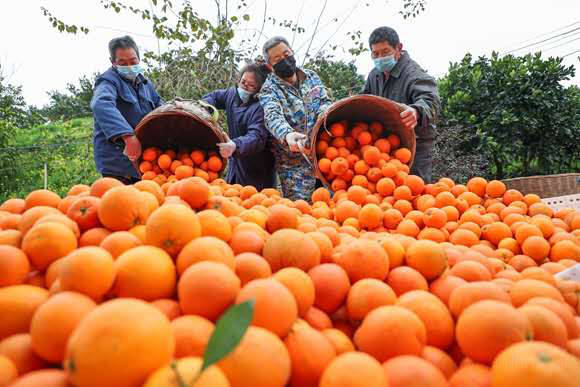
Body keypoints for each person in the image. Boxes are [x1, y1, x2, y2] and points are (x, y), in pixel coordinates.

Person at [362, 26, 440, 183]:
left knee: (413, 192)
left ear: (399, 48)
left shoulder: (413, 73)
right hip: (384, 147)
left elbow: (431, 100)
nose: (380, 58)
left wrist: (416, 111)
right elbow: (363, 101)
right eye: (375, 54)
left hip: (415, 147)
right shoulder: (374, 75)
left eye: (385, 52)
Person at [259, 36, 333, 201]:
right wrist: (287, 134)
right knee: (301, 215)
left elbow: (325, 102)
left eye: (286, 54)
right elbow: (272, 116)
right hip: (295, 170)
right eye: (278, 59)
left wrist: (325, 117)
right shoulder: (269, 90)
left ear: (292, 52)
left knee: (333, 208)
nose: (285, 60)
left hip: (325, 157)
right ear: (270, 66)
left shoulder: (311, 77)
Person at [90, 35, 163, 185]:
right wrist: (128, 136)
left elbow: (161, 107)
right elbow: (100, 104)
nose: (129, 66)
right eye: (122, 62)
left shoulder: (144, 83)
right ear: (113, 62)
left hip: (143, 162)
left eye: (132, 61)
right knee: (122, 203)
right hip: (117, 163)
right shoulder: (108, 81)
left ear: (139, 59)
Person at [202, 63, 276, 190]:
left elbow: (257, 136)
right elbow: (213, 97)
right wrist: (207, 108)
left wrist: (235, 145)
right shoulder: (232, 94)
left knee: (255, 203)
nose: (245, 87)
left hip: (257, 168)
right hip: (236, 163)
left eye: (251, 85)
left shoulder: (261, 108)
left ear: (260, 89)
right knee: (233, 198)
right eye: (243, 82)